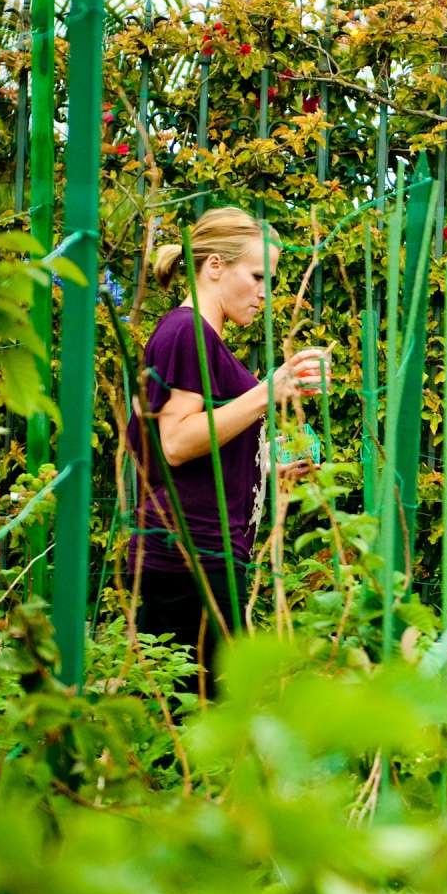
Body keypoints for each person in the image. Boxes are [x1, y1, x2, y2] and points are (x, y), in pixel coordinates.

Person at [129, 207, 326, 697]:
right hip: (189, 561)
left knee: (183, 722)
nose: (265, 293)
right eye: (258, 276)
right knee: (200, 724)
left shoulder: (204, 340)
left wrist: (268, 467)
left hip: (205, 557)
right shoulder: (186, 332)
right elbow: (175, 442)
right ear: (214, 265)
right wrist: (268, 390)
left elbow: (203, 445)